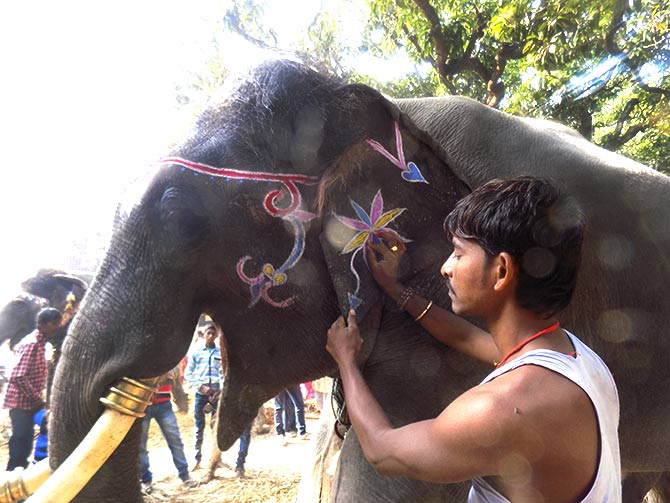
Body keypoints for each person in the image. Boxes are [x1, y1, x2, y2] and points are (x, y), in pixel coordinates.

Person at [326, 177, 621, 502]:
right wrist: (397, 291)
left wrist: (346, 361)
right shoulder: (577, 358)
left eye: (458, 252)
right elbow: (468, 337)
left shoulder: (501, 409)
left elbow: (383, 452)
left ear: (502, 271)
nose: (445, 267)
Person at [3, 307, 61, 470]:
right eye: (53, 323)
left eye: (58, 323)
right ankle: (11, 478)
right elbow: (18, 376)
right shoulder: (32, 344)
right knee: (20, 443)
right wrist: (36, 399)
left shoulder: (43, 345)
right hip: (21, 403)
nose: (57, 326)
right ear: (42, 323)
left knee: (27, 441)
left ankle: (20, 478)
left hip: (28, 403)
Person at [139, 367, 197, 493]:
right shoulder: (143, 360)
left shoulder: (169, 362)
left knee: (175, 441)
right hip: (143, 406)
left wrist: (182, 402)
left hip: (164, 405)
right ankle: (145, 479)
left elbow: (176, 384)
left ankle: (184, 475)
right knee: (141, 446)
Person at [184, 323, 221, 470]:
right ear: (203, 334)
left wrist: (219, 391)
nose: (211, 336)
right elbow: (188, 374)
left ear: (217, 335)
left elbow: (225, 373)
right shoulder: (196, 352)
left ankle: (216, 459)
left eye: (213, 333)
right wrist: (201, 386)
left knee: (216, 427)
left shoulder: (220, 352)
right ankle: (196, 459)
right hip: (201, 395)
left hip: (217, 396)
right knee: (199, 427)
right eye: (208, 333)